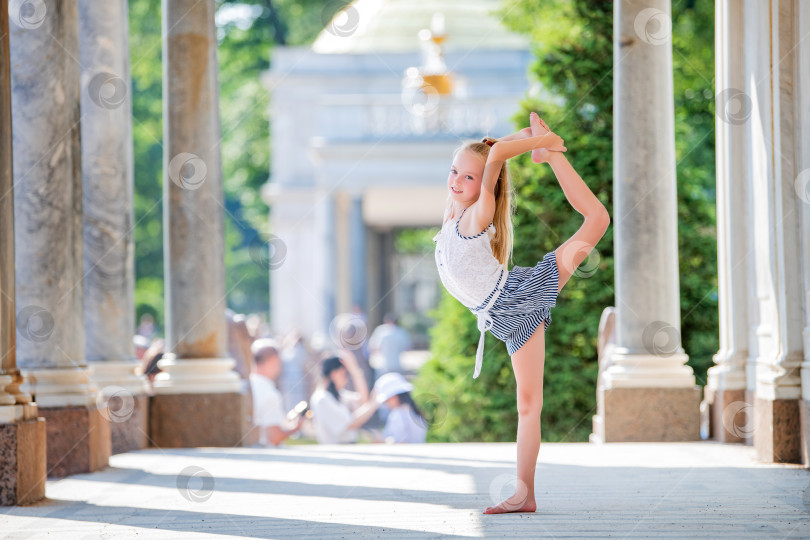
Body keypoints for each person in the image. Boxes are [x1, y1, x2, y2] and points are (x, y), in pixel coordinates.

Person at [433, 112, 610, 514]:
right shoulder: (452, 214)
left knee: (529, 405)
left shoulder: (480, 212)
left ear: (485, 187)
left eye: (468, 178)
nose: (457, 182)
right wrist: (524, 137)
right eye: (454, 172)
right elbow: (490, 152)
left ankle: (523, 493)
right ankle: (524, 494)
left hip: (519, 299)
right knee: (527, 404)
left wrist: (541, 142)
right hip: (502, 315)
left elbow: (493, 161)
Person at [309, 350, 379, 444]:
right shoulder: (322, 398)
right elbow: (350, 423)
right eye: (344, 374)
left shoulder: (335, 395)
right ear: (334, 374)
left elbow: (363, 401)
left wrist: (355, 370)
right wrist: (375, 402)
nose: (346, 379)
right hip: (335, 453)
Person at [249, 338, 302, 447]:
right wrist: (296, 427)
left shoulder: (246, 385)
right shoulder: (269, 393)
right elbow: (273, 437)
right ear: (273, 360)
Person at [373, 372, 427, 443]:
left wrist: (382, 440)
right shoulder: (415, 411)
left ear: (393, 397)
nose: (387, 404)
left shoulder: (398, 413)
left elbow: (400, 442)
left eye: (387, 400)